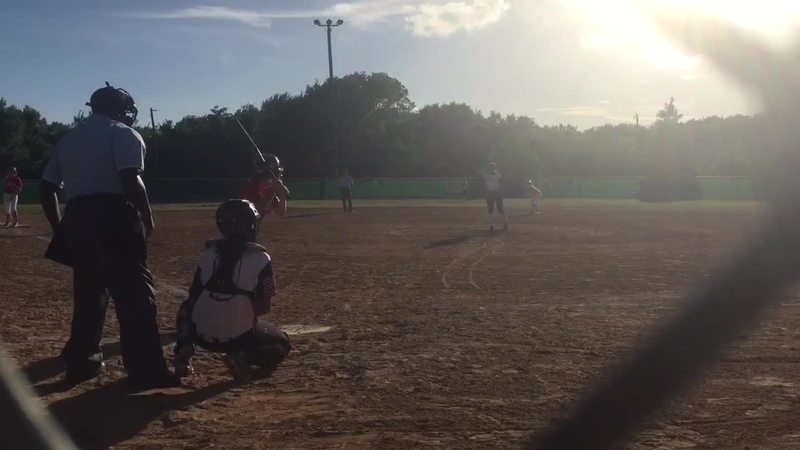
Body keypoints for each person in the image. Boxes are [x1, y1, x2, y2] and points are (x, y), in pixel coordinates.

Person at [39, 82, 179, 388]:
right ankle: (146, 371)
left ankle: (82, 364)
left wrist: (60, 227)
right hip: (113, 215)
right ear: (118, 109)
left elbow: (47, 188)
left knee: (89, 295)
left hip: (77, 216)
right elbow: (130, 179)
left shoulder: (69, 139)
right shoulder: (125, 134)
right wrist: (147, 216)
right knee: (136, 296)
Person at [173, 199, 291, 381]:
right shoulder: (261, 257)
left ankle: (184, 351)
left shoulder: (208, 253)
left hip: (201, 336)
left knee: (185, 308)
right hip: (240, 339)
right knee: (282, 343)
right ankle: (242, 356)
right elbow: (263, 308)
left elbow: (194, 296)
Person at [240, 155, 289, 222]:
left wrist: (282, 194)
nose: (279, 174)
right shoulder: (252, 186)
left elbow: (280, 213)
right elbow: (256, 211)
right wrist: (274, 188)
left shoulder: (268, 188)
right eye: (276, 171)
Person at [483, 162, 507, 231]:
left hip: (497, 192)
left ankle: (505, 221)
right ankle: (492, 225)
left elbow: (501, 182)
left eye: (493, 167)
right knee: (490, 209)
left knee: (500, 209)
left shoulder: (498, 175)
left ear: (495, 168)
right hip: (490, 193)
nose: (492, 168)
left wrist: (501, 191)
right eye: (490, 167)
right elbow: (485, 184)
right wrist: (486, 192)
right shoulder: (486, 175)